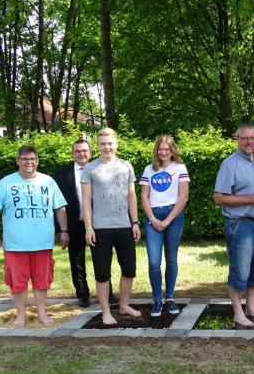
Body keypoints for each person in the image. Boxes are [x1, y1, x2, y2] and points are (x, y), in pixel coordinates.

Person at [0, 145, 69, 327]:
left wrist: (64, 231)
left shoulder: (48, 182)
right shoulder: (5, 183)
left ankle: (41, 313)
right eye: (24, 159)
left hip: (43, 242)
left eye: (32, 159)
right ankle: (21, 315)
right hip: (16, 243)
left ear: (37, 161)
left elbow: (59, 208)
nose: (29, 162)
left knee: (42, 280)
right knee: (17, 281)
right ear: (18, 161)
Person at [214, 124, 254, 327]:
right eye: (244, 138)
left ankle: (251, 307)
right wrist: (249, 198)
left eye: (252, 138)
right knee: (240, 270)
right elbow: (219, 197)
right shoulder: (229, 164)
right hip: (241, 225)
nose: (249, 142)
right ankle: (238, 313)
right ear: (237, 139)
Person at [81, 128, 142, 325]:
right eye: (102, 144)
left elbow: (132, 196)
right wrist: (89, 227)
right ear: (97, 146)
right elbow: (86, 199)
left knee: (129, 270)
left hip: (124, 226)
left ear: (116, 144)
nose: (106, 147)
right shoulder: (89, 169)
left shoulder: (126, 166)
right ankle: (106, 311)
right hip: (100, 229)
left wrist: (135, 222)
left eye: (110, 143)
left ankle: (124, 305)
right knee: (102, 273)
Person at [52, 138, 118, 308]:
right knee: (76, 260)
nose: (81, 153)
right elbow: (57, 204)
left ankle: (108, 293)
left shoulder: (100, 169)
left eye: (84, 150)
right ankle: (82, 294)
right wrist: (63, 230)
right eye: (77, 151)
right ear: (72, 153)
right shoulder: (61, 174)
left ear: (90, 152)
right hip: (74, 223)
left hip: (98, 222)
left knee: (102, 259)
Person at [139, 134, 190, 317]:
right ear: (156, 150)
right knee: (154, 261)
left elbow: (183, 197)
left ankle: (169, 298)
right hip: (153, 216)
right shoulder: (149, 169)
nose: (163, 152)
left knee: (171, 259)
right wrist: (152, 219)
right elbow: (144, 196)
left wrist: (168, 220)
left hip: (173, 216)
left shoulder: (180, 168)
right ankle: (157, 300)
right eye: (160, 149)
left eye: (167, 149)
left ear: (172, 150)